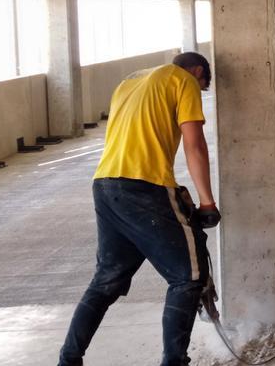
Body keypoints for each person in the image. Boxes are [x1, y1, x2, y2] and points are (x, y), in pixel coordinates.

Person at [58, 52, 221, 366]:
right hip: (143, 187)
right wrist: (207, 202)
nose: (197, 93)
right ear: (197, 71)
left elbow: (138, 141)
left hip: (106, 185)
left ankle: (68, 360)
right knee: (189, 277)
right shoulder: (183, 79)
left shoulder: (130, 82)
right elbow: (194, 142)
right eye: (202, 87)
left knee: (106, 281)